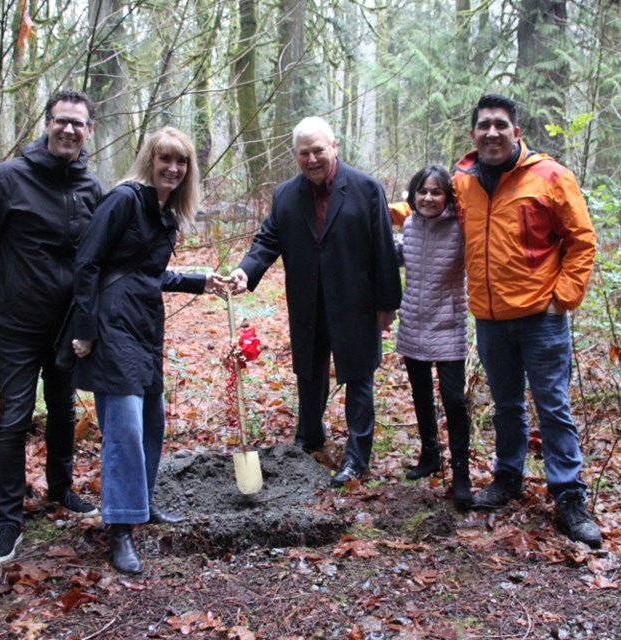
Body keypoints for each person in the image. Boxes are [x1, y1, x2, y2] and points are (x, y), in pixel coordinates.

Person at [71, 126, 226, 574]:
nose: (173, 169)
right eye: (166, 160)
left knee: (152, 422)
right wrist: (85, 329)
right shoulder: (124, 200)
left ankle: (142, 503)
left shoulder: (166, 214)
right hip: (110, 324)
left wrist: (201, 281)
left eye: (181, 163)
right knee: (124, 428)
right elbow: (88, 261)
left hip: (144, 326)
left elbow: (148, 273)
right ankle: (119, 529)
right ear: (150, 160)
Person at [453, 93, 601, 547]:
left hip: (542, 318)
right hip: (490, 319)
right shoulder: (463, 182)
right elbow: (429, 210)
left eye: (501, 125)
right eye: (484, 126)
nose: (492, 132)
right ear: (474, 134)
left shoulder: (550, 177)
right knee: (506, 406)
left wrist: (563, 299)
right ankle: (508, 477)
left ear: (516, 132)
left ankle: (569, 498)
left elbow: (582, 241)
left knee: (552, 406)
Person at [0, 90, 103, 565]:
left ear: (90, 131)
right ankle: (8, 520)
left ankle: (61, 488)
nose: (69, 130)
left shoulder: (90, 187)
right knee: (14, 418)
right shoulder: (6, 179)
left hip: (68, 325)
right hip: (20, 325)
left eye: (78, 124)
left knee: (64, 411)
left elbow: (97, 256)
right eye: (61, 121)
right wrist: (3, 303)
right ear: (46, 124)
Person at [229, 116, 402, 487]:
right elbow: (267, 239)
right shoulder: (286, 195)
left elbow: (384, 250)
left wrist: (386, 304)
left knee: (358, 377)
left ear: (334, 146)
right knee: (308, 372)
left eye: (318, 150)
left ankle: (356, 457)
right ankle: (308, 438)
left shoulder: (366, 189)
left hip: (355, 302)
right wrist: (246, 271)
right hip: (308, 302)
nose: (311, 159)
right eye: (304, 153)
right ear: (296, 155)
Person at [389, 165, 472, 509]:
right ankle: (429, 455)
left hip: (448, 324)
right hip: (413, 322)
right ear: (414, 195)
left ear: (447, 197)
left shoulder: (460, 228)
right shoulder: (409, 225)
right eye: (422, 191)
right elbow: (396, 258)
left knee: (453, 398)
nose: (428, 198)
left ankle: (462, 473)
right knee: (421, 393)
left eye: (436, 192)